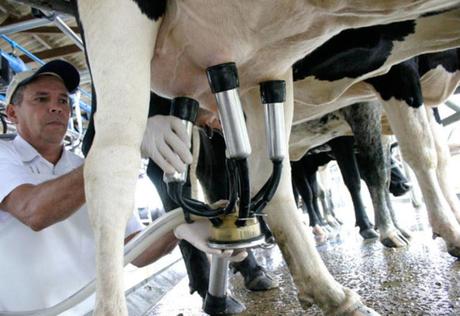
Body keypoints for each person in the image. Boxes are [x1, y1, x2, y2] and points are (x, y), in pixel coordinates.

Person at [0, 60, 244, 314]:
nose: (56, 108)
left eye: (63, 101)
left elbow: (136, 252)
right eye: (41, 99)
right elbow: (34, 211)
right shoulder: (5, 155)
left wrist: (182, 225)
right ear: (12, 113)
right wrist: (122, 147)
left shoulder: (84, 166)